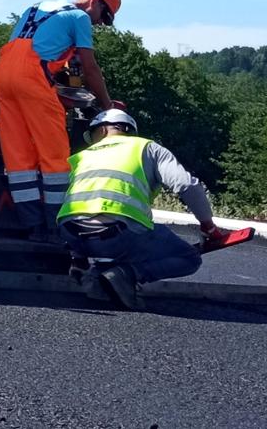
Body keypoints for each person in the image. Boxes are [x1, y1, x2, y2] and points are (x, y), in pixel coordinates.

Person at [58, 109, 242, 309]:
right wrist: (208, 226)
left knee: (113, 242)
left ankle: (98, 277)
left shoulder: (78, 157)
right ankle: (127, 274)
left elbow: (63, 201)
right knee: (189, 258)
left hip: (72, 234)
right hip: (120, 232)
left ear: (101, 131)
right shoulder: (146, 147)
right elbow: (187, 185)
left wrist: (77, 255)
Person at [0, 0, 122, 235]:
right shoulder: (79, 18)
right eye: (103, 16)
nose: (99, 23)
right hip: (32, 79)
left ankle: (32, 226)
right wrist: (107, 106)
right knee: (54, 156)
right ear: (94, 0)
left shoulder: (36, 7)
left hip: (4, 77)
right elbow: (90, 68)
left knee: (19, 157)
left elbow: (34, 52)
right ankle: (56, 228)